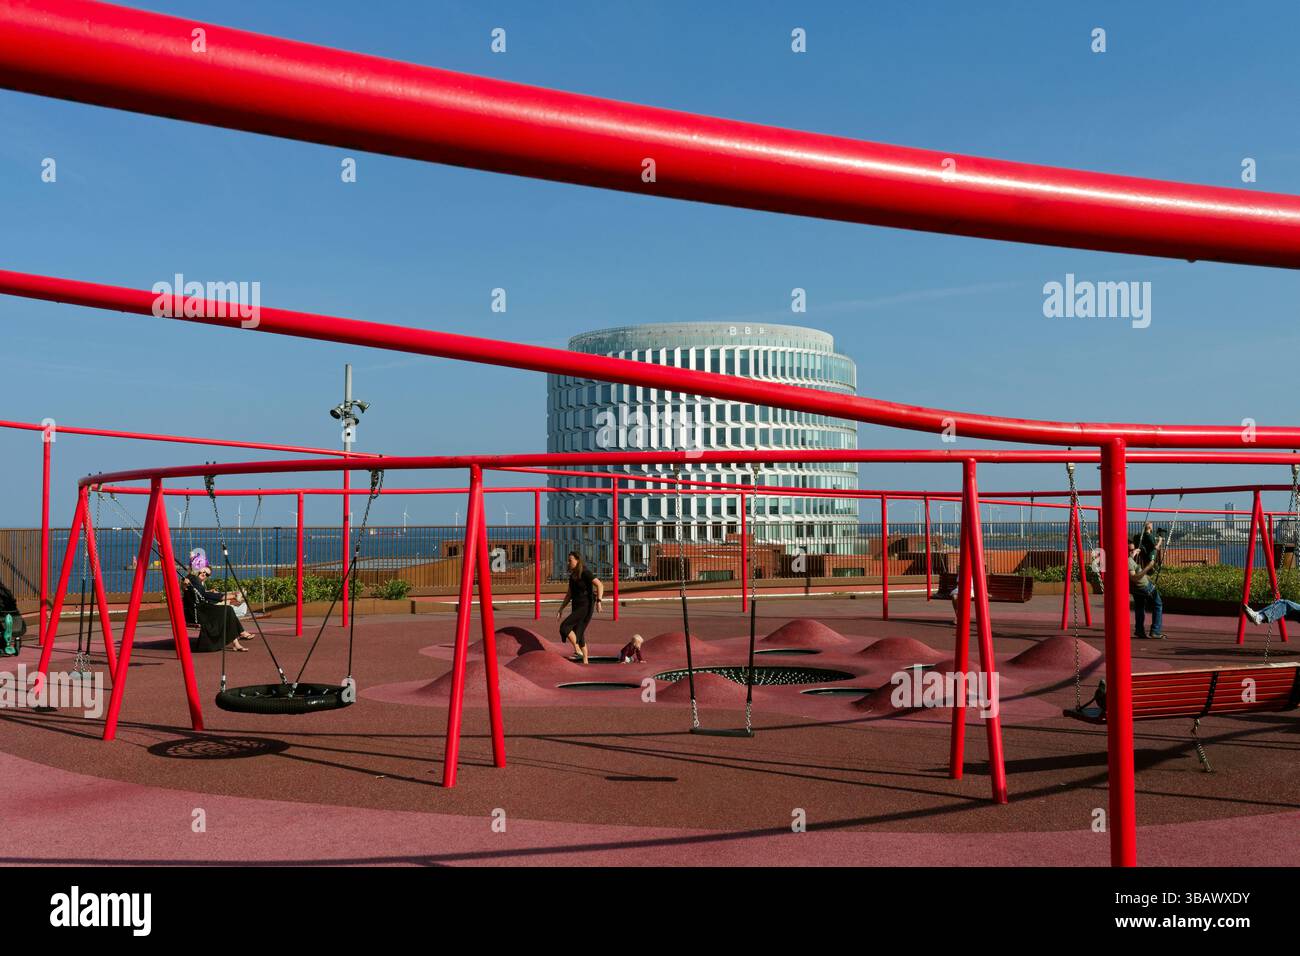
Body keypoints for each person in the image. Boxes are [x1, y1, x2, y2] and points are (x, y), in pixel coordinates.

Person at [184, 551, 253, 653]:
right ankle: (240, 635)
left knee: (228, 610)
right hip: (197, 612)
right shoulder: (191, 579)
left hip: (203, 608)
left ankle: (237, 643)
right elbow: (204, 595)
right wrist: (231, 596)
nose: (204, 574)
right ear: (197, 568)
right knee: (227, 610)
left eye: (207, 574)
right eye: (203, 571)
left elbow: (203, 594)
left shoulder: (195, 580)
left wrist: (229, 597)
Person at [556, 550, 603, 664]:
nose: (568, 562)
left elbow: (600, 585)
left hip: (586, 605)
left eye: (570, 560)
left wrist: (599, 601)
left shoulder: (585, 572)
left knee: (564, 627)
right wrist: (561, 608)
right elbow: (569, 594)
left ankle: (577, 650)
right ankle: (585, 661)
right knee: (579, 631)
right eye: (568, 560)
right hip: (576, 605)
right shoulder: (572, 576)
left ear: (577, 560)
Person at [1128, 534, 1165, 640]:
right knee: (1158, 604)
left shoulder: (1127, 558)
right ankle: (1155, 631)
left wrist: (1134, 554)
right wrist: (1148, 567)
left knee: (1140, 607)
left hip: (1136, 588)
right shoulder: (1128, 561)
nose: (1133, 551)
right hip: (1143, 586)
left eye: (1133, 549)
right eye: (1131, 550)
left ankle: (1139, 630)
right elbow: (1134, 577)